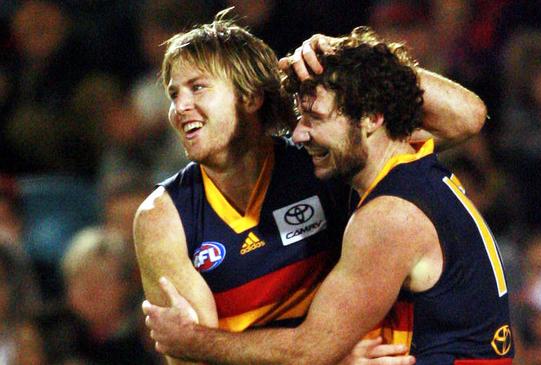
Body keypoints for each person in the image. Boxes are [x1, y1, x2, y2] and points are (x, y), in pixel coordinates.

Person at [141, 24, 512, 364]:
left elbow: (468, 116)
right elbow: (195, 357)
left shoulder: (329, 163)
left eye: (198, 87)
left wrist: (352, 59)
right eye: (174, 93)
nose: (179, 107)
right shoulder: (165, 218)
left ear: (250, 97)